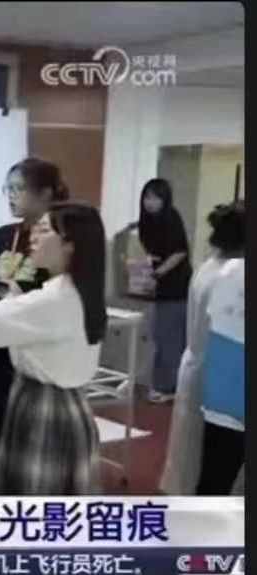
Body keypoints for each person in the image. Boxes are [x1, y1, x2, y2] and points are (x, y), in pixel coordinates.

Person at [0, 203, 107, 495]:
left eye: (44, 230)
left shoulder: (53, 300)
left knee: (35, 499)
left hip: (44, 410)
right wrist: (18, 286)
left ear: (69, 245)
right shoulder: (77, 289)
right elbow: (13, 313)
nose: (33, 236)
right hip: (64, 404)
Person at [0, 157, 68, 495]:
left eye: (19, 189)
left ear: (45, 193)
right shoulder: (8, 235)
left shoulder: (60, 244)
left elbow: (41, 296)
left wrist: (13, 295)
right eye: (8, 188)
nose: (11, 195)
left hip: (33, 361)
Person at [160, 202, 244, 494]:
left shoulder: (211, 266)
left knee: (190, 454)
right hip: (221, 375)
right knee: (213, 463)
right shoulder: (234, 276)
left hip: (198, 366)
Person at [136, 178, 192, 403]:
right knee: (164, 337)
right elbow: (152, 253)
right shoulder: (146, 222)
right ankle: (167, 385)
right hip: (160, 285)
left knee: (169, 338)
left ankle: (168, 387)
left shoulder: (171, 217)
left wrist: (157, 273)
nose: (150, 202)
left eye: (155, 198)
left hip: (177, 285)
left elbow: (180, 252)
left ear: (165, 199)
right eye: (147, 197)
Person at [194, 255, 244, 495]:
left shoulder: (229, 270)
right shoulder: (232, 271)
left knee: (213, 480)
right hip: (234, 396)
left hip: (221, 393)